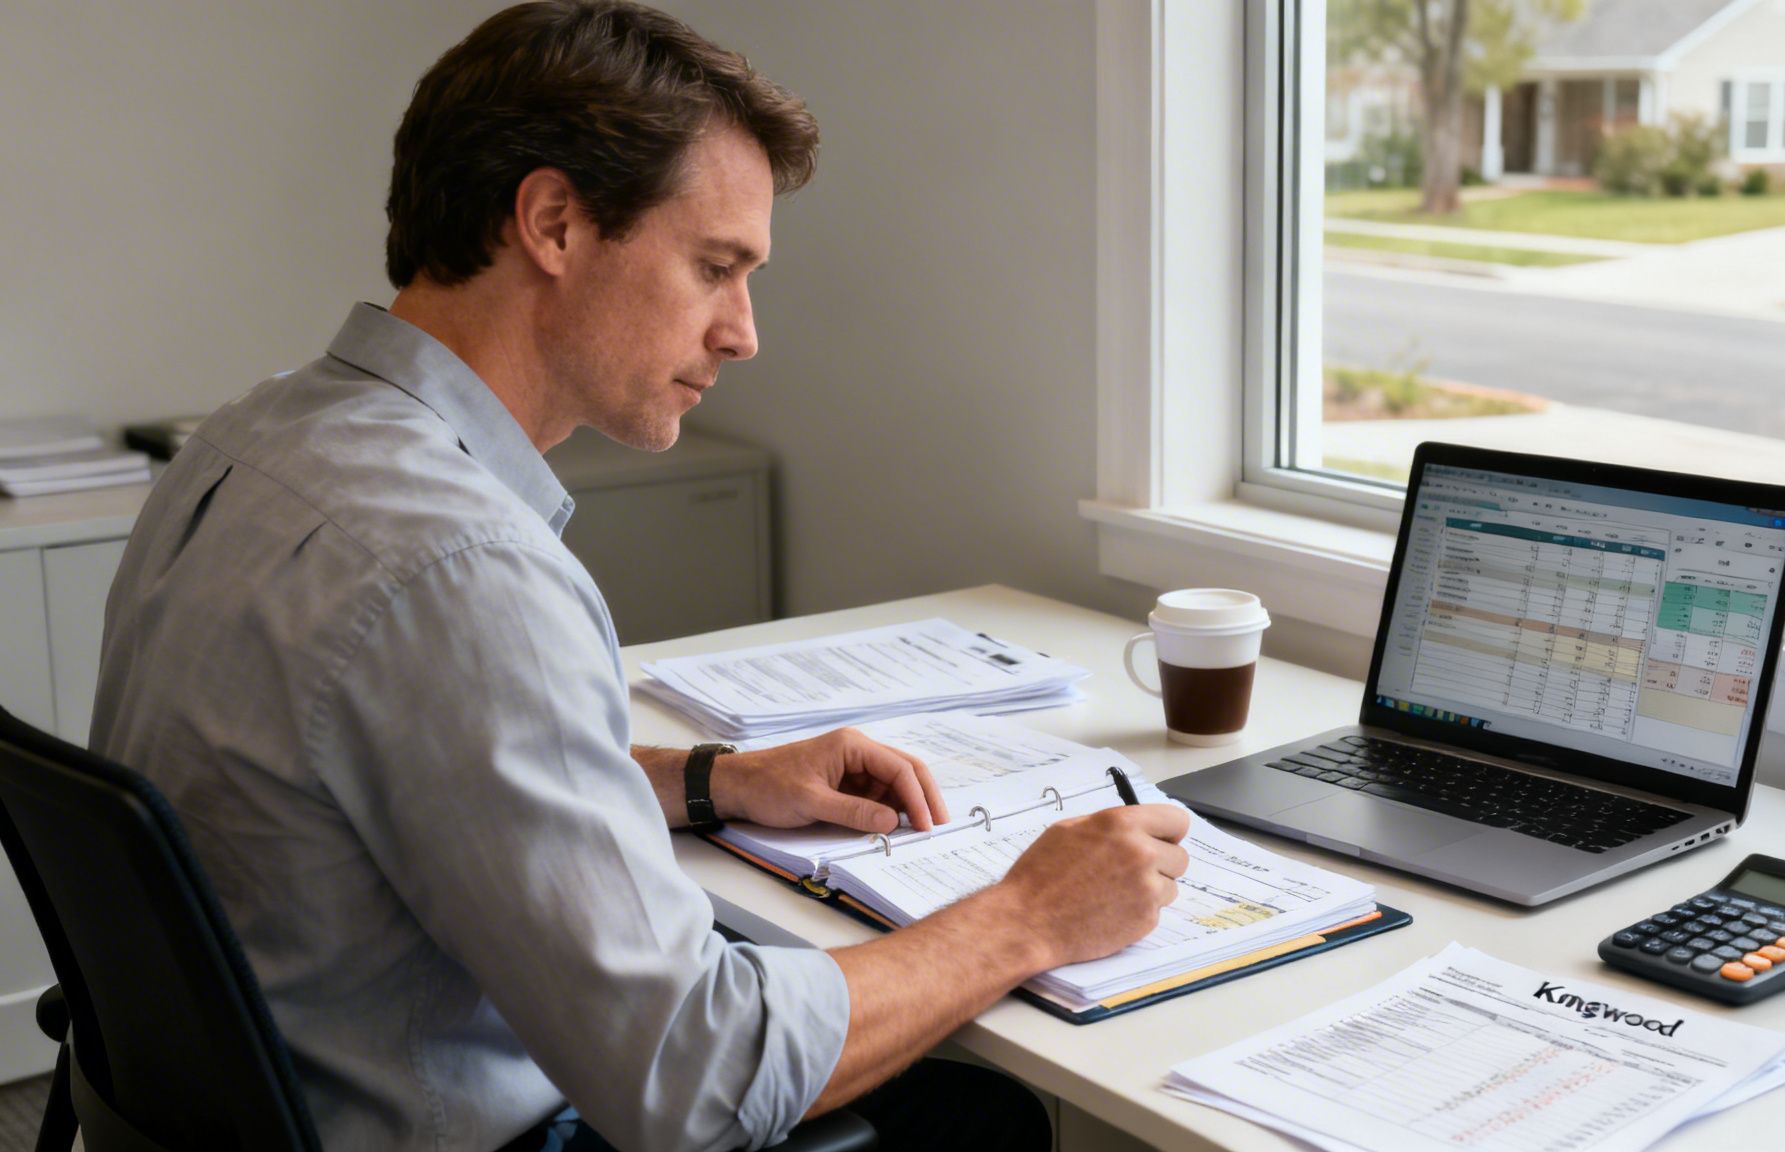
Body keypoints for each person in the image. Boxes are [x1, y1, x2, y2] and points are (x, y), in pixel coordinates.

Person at [88, 3, 1190, 1150]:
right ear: (554, 222)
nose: (743, 332)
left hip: (238, 1110)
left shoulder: (250, 439)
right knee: (975, 1120)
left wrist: (710, 780)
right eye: (715, 266)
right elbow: (697, 1083)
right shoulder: (461, 568)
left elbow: (398, 767)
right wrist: (1024, 918)